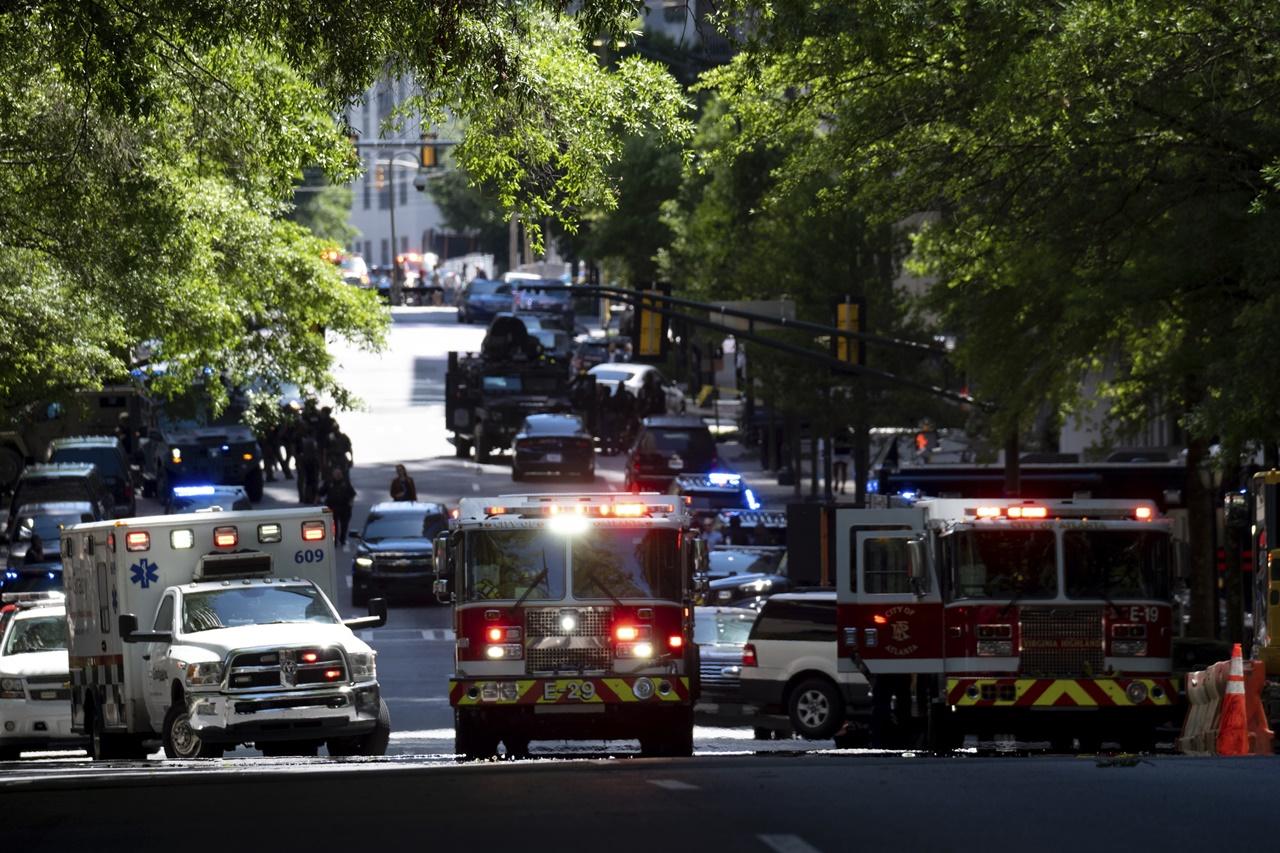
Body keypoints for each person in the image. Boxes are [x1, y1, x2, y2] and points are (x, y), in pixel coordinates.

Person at [319, 467, 356, 546]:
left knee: (344, 525)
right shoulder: (329, 482)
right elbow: (321, 492)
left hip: (344, 507)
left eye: (339, 474)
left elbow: (352, 494)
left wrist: (351, 503)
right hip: (331, 507)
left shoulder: (346, 482)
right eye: (336, 474)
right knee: (333, 525)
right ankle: (334, 541)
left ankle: (342, 539)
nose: (338, 475)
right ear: (333, 475)